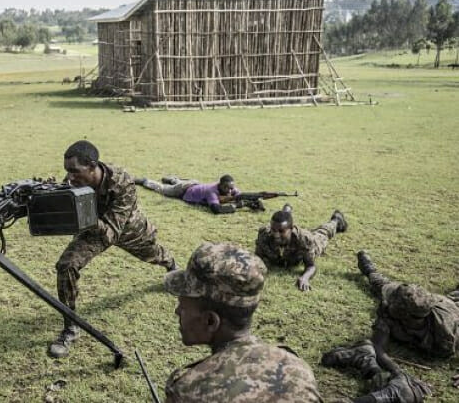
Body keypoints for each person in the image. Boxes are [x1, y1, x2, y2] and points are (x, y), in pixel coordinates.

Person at [49, 140, 177, 358]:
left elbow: (111, 231)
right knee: (66, 266)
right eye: (67, 171)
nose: (69, 177)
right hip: (92, 229)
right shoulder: (74, 181)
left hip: (127, 227)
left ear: (92, 166)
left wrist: (86, 216)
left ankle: (171, 265)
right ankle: (71, 327)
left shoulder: (122, 181)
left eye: (74, 171)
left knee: (152, 254)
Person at [164, 242, 322, 402]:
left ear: (210, 321)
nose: (177, 311)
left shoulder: (189, 390)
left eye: (182, 306)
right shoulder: (299, 371)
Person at [357, 250, 459, 387]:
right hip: (434, 302)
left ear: (403, 314)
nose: (387, 304)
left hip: (452, 306)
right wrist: (398, 372)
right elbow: (378, 347)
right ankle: (368, 267)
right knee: (380, 283)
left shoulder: (447, 328)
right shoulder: (390, 312)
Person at [255, 204, 347, 291]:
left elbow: (311, 266)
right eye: (273, 230)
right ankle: (286, 212)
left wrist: (304, 278)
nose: (276, 234)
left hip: (309, 244)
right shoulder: (264, 234)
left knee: (323, 233)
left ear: (291, 229)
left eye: (281, 231)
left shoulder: (304, 239)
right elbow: (257, 258)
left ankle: (336, 220)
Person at [135, 175, 260, 214]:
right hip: (183, 190)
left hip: (195, 185)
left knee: (180, 183)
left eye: (230, 188)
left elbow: (241, 195)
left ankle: (173, 179)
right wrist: (239, 206)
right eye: (226, 188)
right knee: (162, 189)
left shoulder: (230, 189)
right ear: (220, 184)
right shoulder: (212, 191)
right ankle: (144, 181)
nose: (229, 190)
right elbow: (216, 209)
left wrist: (255, 199)